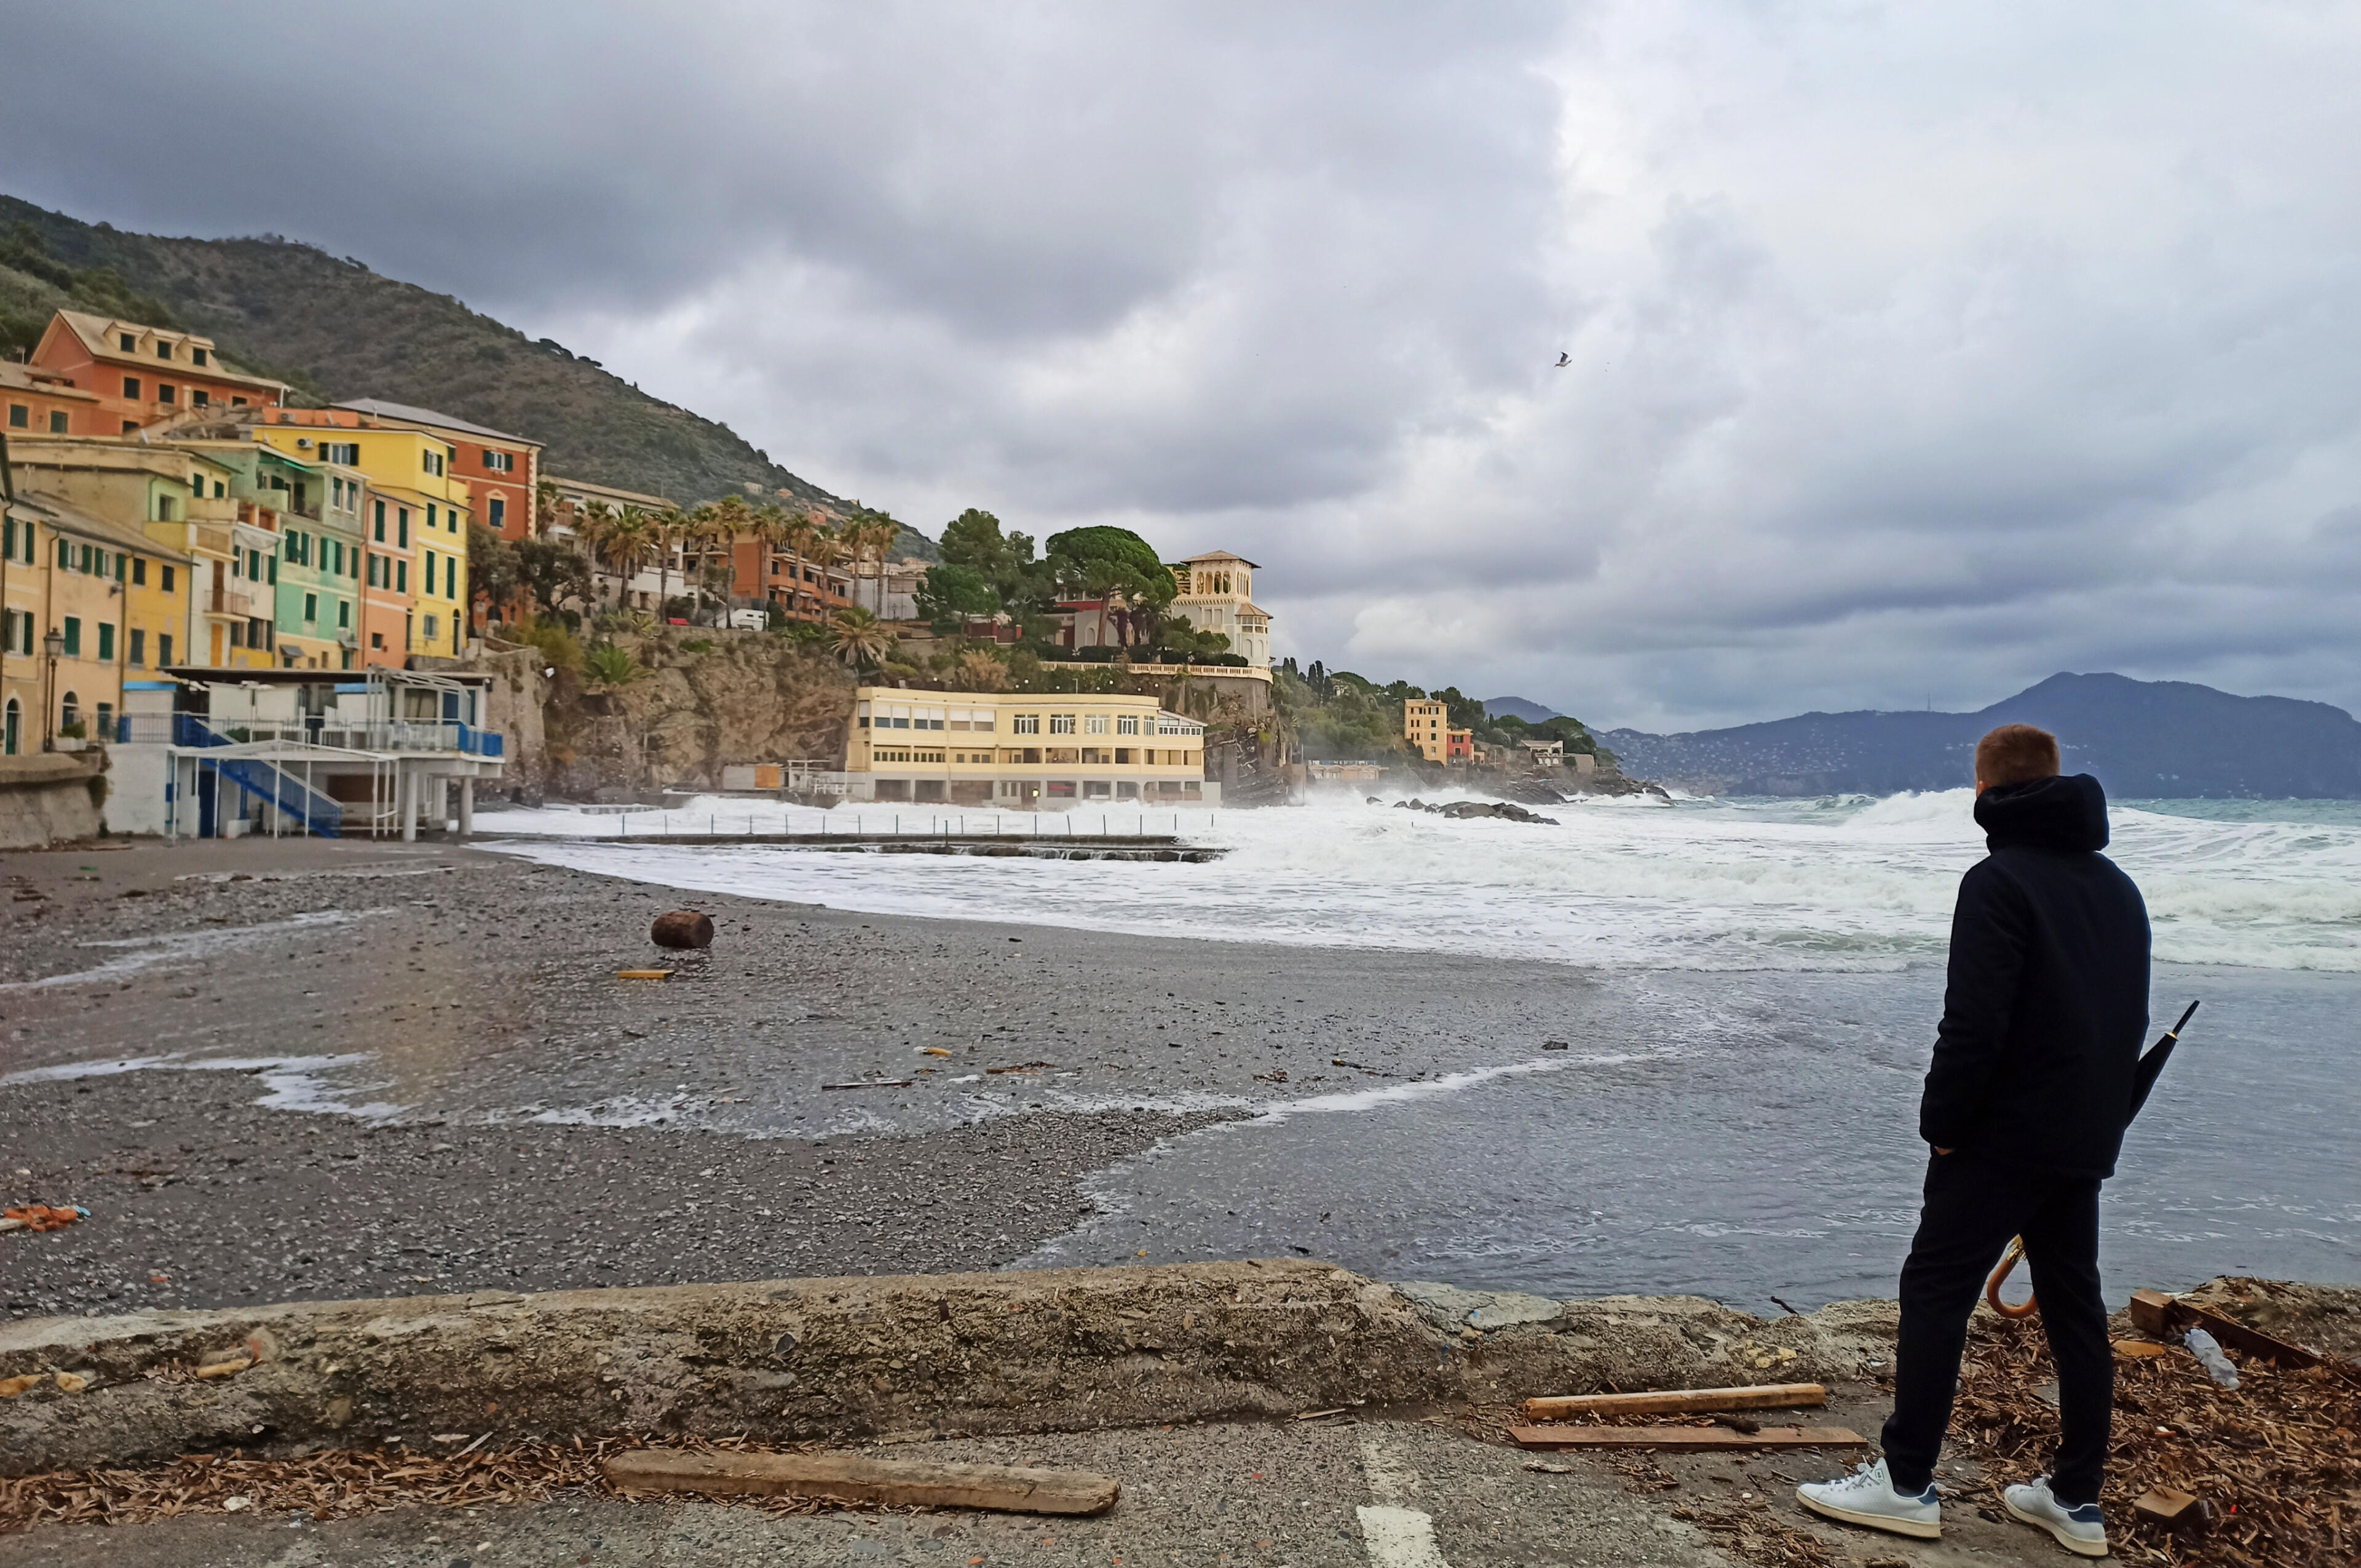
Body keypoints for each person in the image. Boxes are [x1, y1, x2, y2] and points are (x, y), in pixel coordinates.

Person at [1797, 724, 2150, 1559]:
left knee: (1935, 1288)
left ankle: (1906, 1482)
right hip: (2085, 1132)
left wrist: (1944, 1127)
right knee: (2075, 1308)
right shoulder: (2119, 888)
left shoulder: (1997, 880)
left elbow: (1974, 1023)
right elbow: (2126, 1021)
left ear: (1985, 792)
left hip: (1999, 1136)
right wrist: (2101, 1124)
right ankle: (2077, 1498)